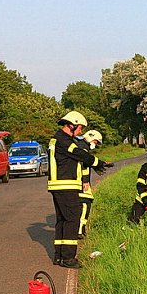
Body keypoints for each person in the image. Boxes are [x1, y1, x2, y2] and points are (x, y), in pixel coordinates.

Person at [48, 112, 111, 268]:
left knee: (62, 221)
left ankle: (59, 256)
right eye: (80, 127)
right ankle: (69, 258)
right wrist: (99, 163)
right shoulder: (64, 141)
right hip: (66, 185)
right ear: (72, 124)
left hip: (58, 185)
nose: (81, 131)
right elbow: (80, 155)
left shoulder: (56, 139)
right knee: (72, 220)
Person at [77, 129, 103, 239]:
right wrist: (85, 181)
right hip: (81, 181)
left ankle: (81, 229)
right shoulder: (83, 148)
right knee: (85, 203)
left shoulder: (81, 146)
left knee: (84, 203)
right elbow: (84, 165)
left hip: (78, 180)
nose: (95, 145)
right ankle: (79, 230)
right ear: (91, 138)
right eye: (96, 142)